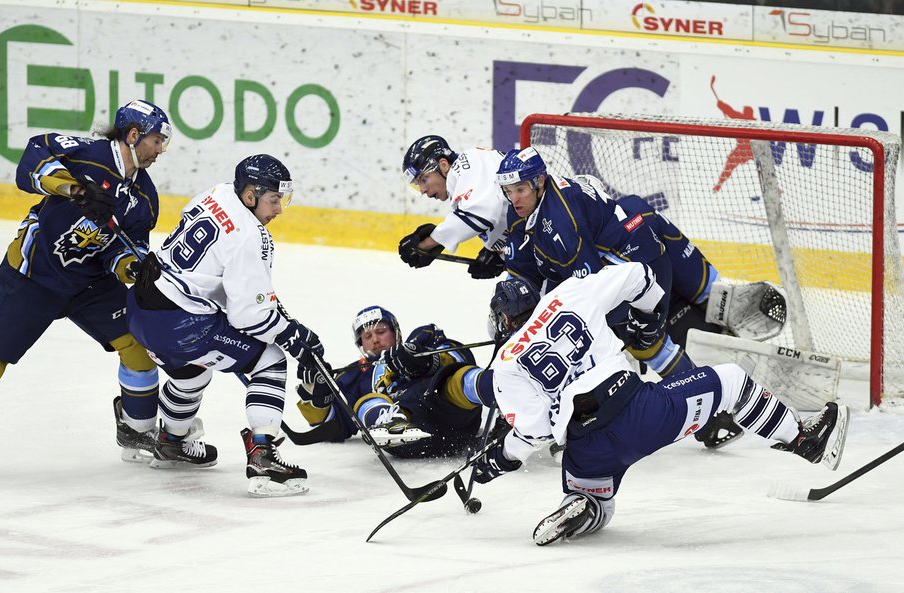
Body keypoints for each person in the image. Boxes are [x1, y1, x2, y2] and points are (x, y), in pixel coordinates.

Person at [0, 99, 172, 483]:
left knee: (138, 347)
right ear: (134, 135)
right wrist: (74, 189)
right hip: (32, 276)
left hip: (88, 284)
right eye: (156, 140)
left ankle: (136, 431)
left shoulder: (145, 198)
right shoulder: (85, 155)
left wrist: (133, 267)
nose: (161, 150)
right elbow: (32, 161)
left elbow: (124, 247)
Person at [465, 267, 849, 545]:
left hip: (585, 449)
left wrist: (495, 461)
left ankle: (584, 504)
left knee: (600, 501)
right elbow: (639, 275)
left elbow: (535, 431)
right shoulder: (566, 296)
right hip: (642, 413)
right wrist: (646, 321)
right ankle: (804, 439)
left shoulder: (505, 367)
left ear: (502, 319)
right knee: (731, 380)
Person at [496, 146, 786, 447]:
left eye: (521, 189)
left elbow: (592, 289)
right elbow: (536, 263)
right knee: (643, 328)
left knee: (646, 343)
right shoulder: (534, 206)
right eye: (508, 190)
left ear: (539, 181)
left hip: (637, 262)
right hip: (628, 242)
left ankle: (714, 415)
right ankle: (705, 326)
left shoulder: (560, 220)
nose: (515, 197)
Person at [123, 154, 325, 497]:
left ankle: (171, 440)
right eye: (273, 200)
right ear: (250, 195)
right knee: (270, 360)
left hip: (142, 307)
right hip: (180, 323)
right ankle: (264, 457)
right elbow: (248, 317)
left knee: (193, 373)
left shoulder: (216, 193)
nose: (279, 210)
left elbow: (217, 278)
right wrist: (293, 336)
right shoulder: (250, 236)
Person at [294, 306, 484, 458]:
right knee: (367, 401)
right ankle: (394, 424)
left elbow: (460, 357)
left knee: (458, 377)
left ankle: (498, 389)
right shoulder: (353, 376)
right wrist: (320, 394)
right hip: (412, 440)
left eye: (381, 331)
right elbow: (330, 428)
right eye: (367, 336)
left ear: (396, 332)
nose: (375, 339)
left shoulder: (420, 341)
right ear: (361, 344)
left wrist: (426, 361)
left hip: (450, 412)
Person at [397, 135, 509, 279]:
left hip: (543, 253)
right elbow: (499, 209)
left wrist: (426, 244)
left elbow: (480, 215)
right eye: (419, 184)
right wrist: (499, 254)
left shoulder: (470, 162)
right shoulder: (467, 176)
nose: (423, 190)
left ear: (443, 164)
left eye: (424, 179)